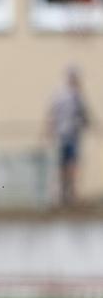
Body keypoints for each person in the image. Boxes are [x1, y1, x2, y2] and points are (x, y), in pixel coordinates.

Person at [47, 65, 91, 206]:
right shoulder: (68, 95)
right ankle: (65, 194)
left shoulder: (72, 95)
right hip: (66, 135)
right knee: (66, 165)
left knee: (69, 165)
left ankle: (67, 194)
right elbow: (53, 114)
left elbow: (84, 116)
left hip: (69, 135)